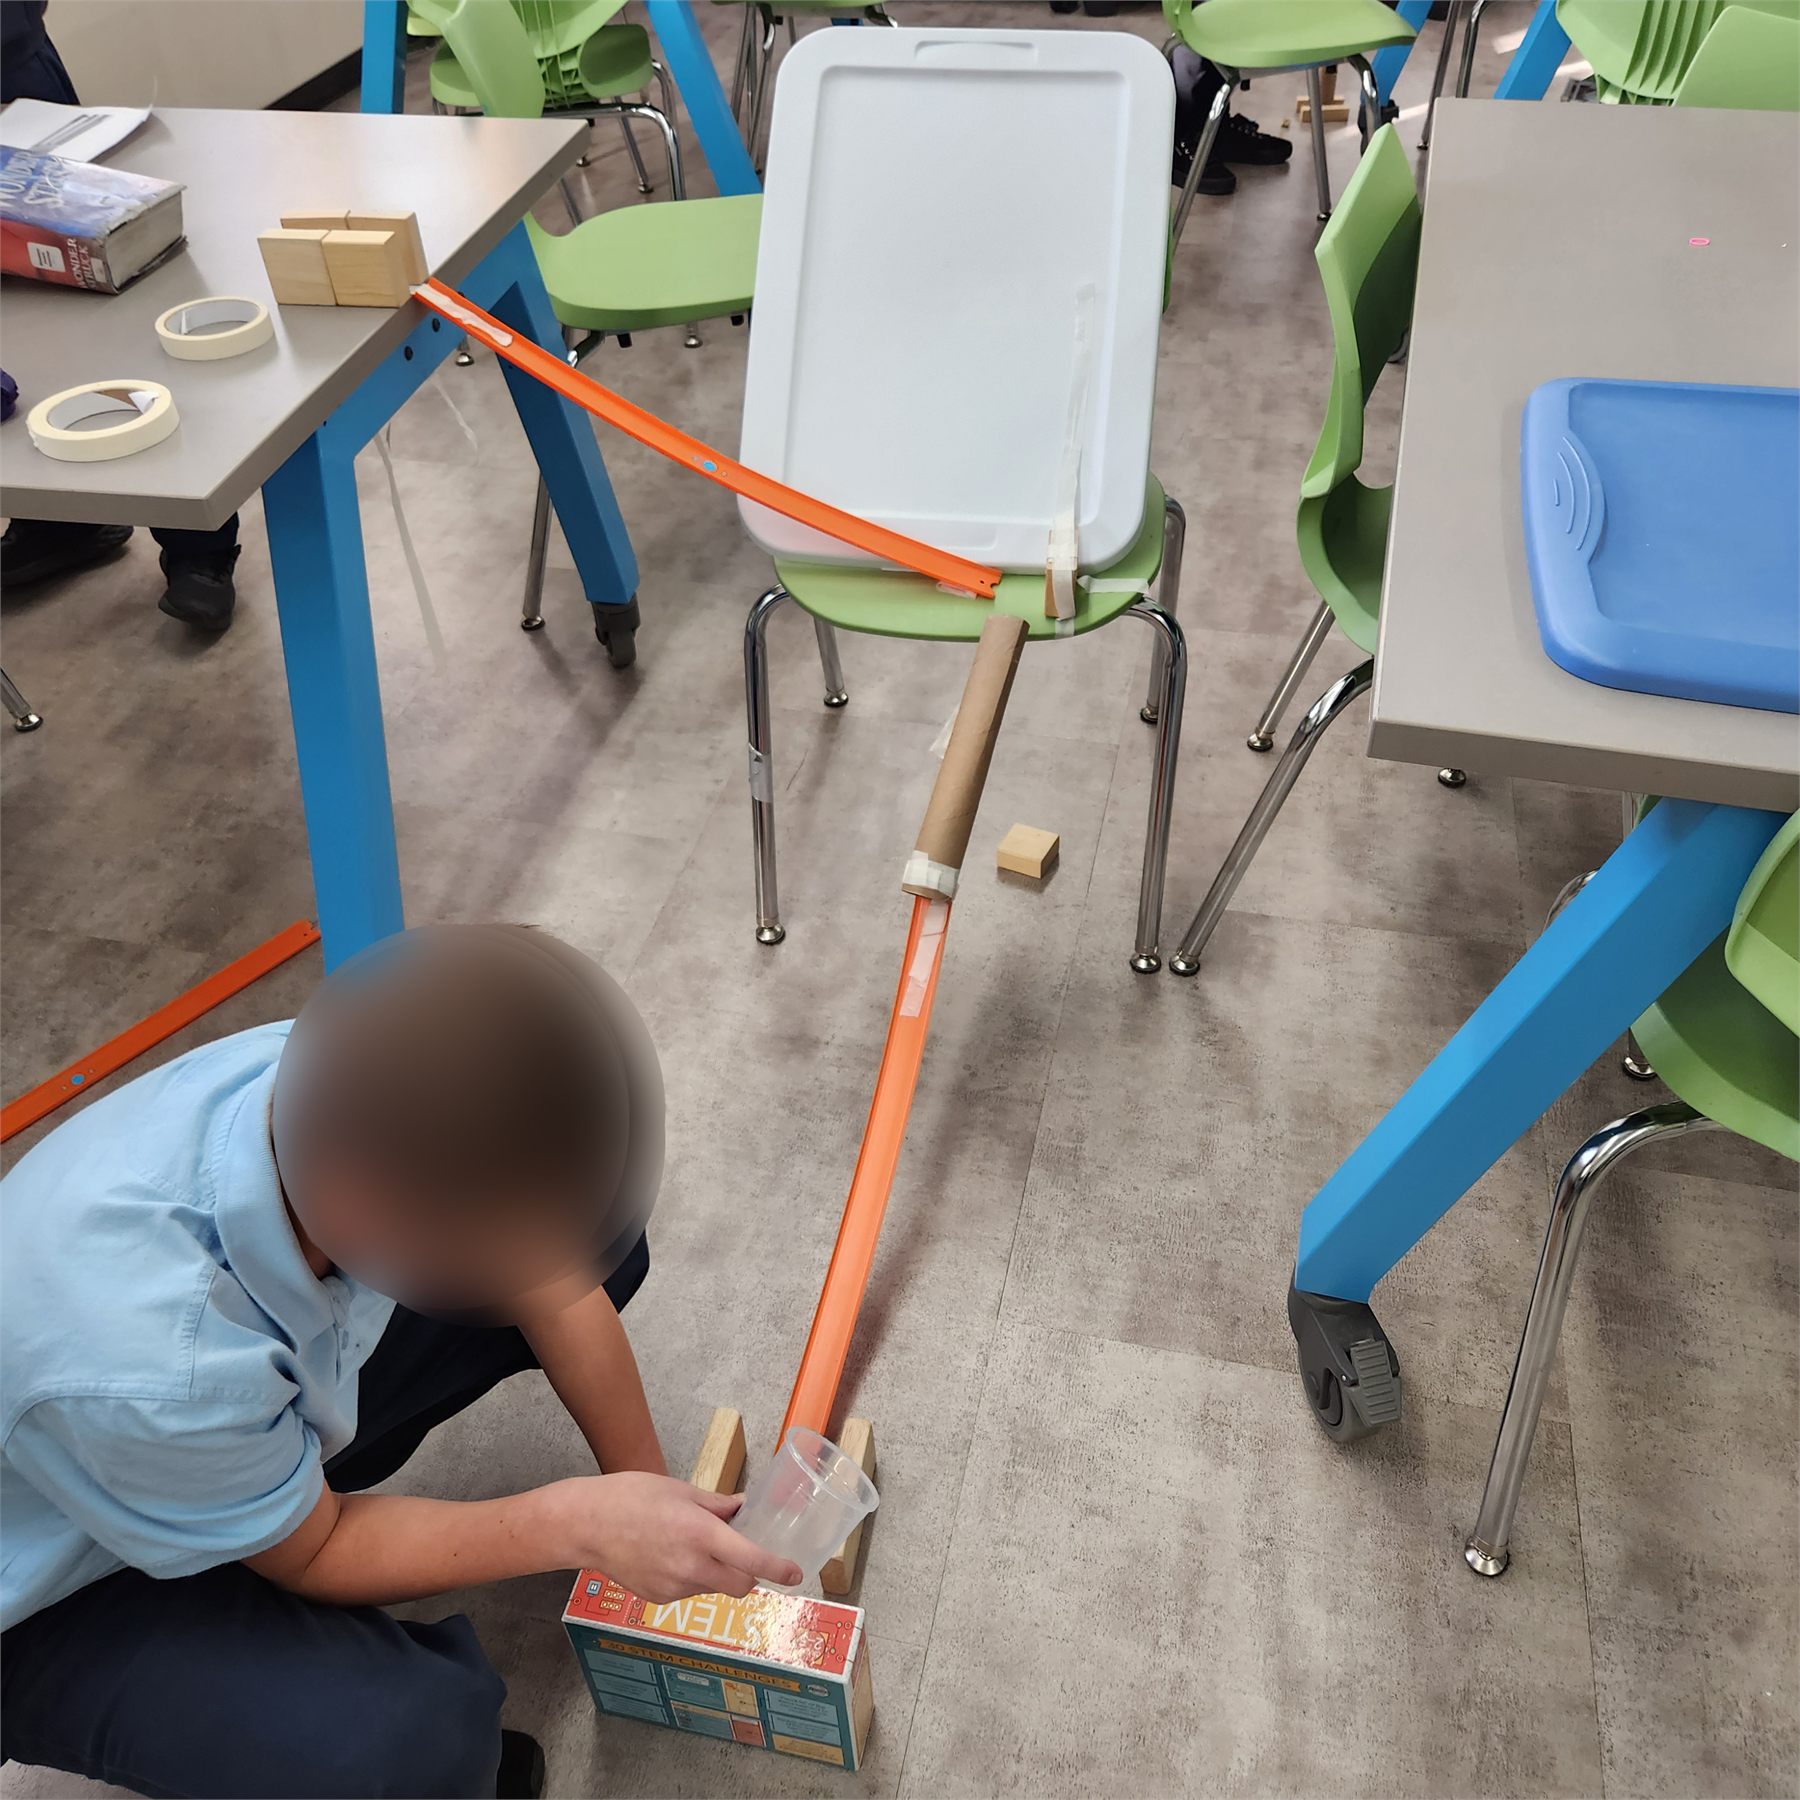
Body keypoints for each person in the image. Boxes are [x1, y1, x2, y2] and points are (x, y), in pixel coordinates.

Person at [0, 924, 801, 1799]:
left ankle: (252, 1519)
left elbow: (548, 1270)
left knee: (594, 1238)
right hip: (52, 1590)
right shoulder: (164, 1363)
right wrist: (579, 1522)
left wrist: (643, 1492)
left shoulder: (340, 1077)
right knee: (408, 1747)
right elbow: (319, 1549)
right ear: (363, 1210)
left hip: (180, 1433)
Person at [0, 0, 242, 630]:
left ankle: (199, 547)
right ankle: (60, 526)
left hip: (9, 71)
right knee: (17, 333)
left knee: (103, 315)